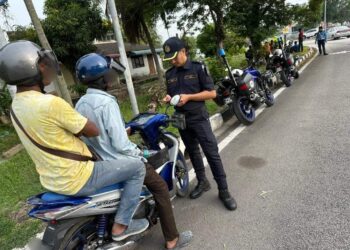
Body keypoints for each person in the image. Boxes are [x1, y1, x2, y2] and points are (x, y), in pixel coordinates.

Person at [0, 41, 148, 241]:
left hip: (52, 180)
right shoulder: (50, 103)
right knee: (137, 167)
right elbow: (92, 130)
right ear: (31, 68)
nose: (48, 69)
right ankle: (122, 226)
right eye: (44, 64)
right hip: (78, 176)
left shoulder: (15, 107)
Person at [74, 53, 193, 249]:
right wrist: (139, 152)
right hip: (120, 161)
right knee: (161, 187)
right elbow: (121, 145)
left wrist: (124, 130)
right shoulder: (107, 102)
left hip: (100, 163)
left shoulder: (80, 103)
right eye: (109, 73)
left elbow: (96, 133)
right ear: (103, 77)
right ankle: (172, 239)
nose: (112, 76)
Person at [162, 37, 237, 211]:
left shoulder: (198, 68)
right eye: (169, 59)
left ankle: (224, 190)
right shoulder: (170, 74)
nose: (172, 61)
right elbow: (171, 95)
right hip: (181, 119)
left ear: (183, 51)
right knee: (193, 151)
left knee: (211, 153)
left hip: (198, 118)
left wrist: (189, 97)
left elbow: (211, 93)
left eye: (174, 57)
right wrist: (168, 99)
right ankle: (202, 182)